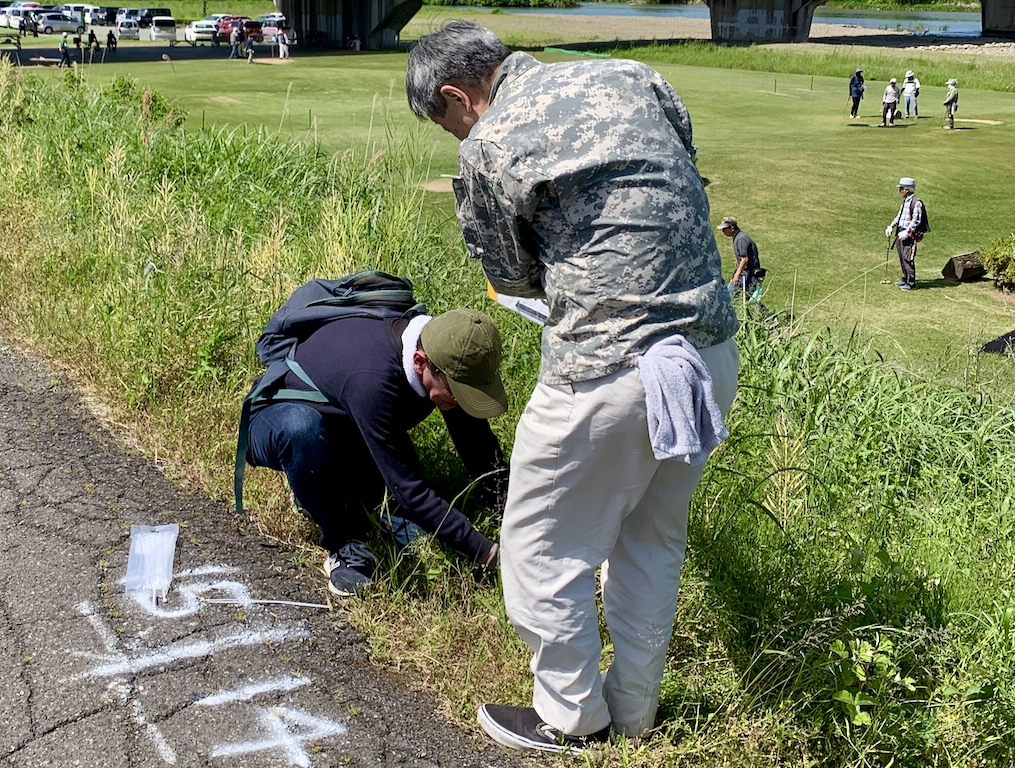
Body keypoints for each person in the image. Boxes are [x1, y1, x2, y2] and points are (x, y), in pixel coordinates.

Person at [406, 21, 739, 751]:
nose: (453, 135)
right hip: (708, 351)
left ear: (460, 96)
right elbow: (678, 174)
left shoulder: (488, 143)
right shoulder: (633, 74)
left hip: (607, 367)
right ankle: (635, 715)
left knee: (537, 545)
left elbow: (512, 275)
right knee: (652, 541)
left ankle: (569, 717)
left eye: (445, 122)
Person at [243, 308, 509, 597]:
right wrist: (488, 554)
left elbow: (477, 446)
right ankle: (341, 540)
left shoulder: (444, 351)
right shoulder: (373, 380)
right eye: (458, 393)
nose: (461, 401)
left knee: (384, 486)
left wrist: (511, 509)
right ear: (420, 363)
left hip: (344, 420)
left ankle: (369, 497)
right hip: (274, 417)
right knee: (302, 431)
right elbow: (412, 491)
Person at [886, 177, 927, 290]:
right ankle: (905, 278)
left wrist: (907, 232)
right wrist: (891, 226)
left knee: (907, 258)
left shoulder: (916, 202)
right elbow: (899, 216)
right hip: (900, 232)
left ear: (907, 190)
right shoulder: (905, 202)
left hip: (908, 235)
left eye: (901, 189)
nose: (900, 191)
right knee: (901, 257)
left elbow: (916, 220)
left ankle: (911, 283)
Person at [717, 217, 763, 296]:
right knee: (750, 300)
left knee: (730, 297)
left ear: (732, 228)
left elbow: (745, 259)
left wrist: (737, 275)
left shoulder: (741, 239)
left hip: (747, 274)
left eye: (724, 229)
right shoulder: (739, 237)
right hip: (746, 273)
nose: (723, 231)